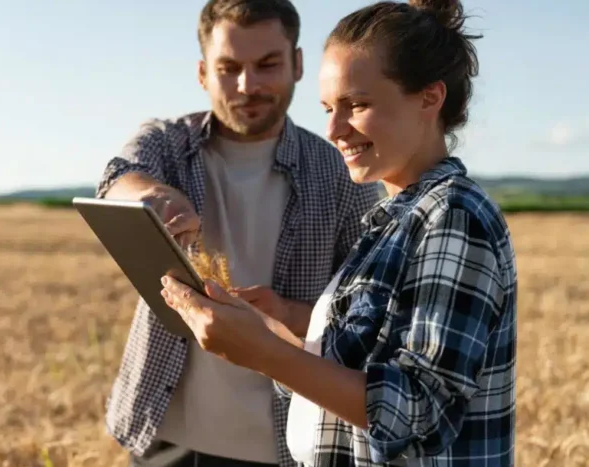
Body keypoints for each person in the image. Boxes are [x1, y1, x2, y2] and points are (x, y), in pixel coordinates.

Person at [159, 0, 517, 466]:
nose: (333, 128)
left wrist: (265, 352)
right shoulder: (392, 220)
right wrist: (264, 330)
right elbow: (347, 375)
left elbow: (421, 411)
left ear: (430, 97)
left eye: (357, 105)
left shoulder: (455, 215)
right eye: (329, 107)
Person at [94, 0, 380, 465]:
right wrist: (155, 198)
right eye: (229, 69)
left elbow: (364, 323)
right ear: (204, 73)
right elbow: (118, 178)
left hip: (285, 444)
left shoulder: (340, 174)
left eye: (267, 65)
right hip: (165, 435)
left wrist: (287, 314)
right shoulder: (168, 143)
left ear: (298, 65)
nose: (248, 86)